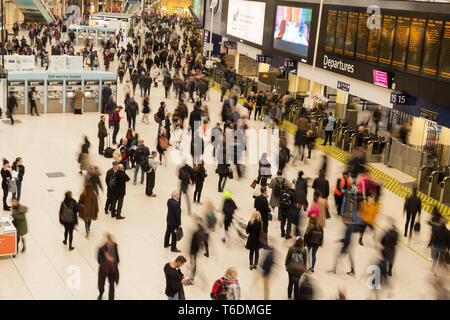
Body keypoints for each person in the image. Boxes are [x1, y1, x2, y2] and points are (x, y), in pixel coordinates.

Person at [97, 233, 120, 300]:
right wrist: (107, 259)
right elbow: (99, 260)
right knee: (101, 284)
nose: (111, 243)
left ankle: (111, 298)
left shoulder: (114, 246)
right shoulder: (102, 249)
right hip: (104, 269)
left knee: (112, 285)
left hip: (112, 269)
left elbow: (117, 255)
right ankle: (101, 293)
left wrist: (117, 261)